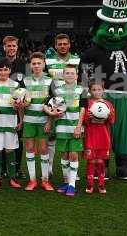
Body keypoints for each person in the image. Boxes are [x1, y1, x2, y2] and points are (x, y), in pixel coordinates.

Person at [44, 64, 86, 196]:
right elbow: (50, 107)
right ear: (63, 75)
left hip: (75, 128)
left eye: (72, 73)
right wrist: (50, 121)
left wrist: (79, 126)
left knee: (73, 154)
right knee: (64, 155)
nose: (70, 75)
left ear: (77, 75)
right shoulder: (57, 91)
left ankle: (72, 185)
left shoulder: (81, 90)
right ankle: (67, 182)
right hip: (61, 127)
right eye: (67, 73)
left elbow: (83, 109)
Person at [45, 33, 80, 177]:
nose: (63, 46)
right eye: (59, 44)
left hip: (72, 104)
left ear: (69, 44)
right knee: (51, 135)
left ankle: (73, 172)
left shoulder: (77, 60)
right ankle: (49, 167)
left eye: (65, 43)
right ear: (55, 46)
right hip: (55, 101)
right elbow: (46, 81)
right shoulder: (49, 61)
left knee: (73, 135)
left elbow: (81, 79)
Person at [0, 58, 23, 189]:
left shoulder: (16, 86)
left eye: (5, 69)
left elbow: (19, 106)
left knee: (10, 150)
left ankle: (12, 178)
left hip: (10, 124)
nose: (3, 72)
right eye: (0, 70)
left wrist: (21, 121)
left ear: (10, 70)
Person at [0, 35, 27, 179]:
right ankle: (2, 168)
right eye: (9, 46)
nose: (11, 48)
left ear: (17, 47)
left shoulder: (23, 64)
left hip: (18, 108)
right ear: (4, 47)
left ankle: (17, 168)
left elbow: (26, 86)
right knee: (2, 137)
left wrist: (23, 101)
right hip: (2, 107)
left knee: (17, 138)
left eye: (14, 46)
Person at [22, 52, 54, 191]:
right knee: (29, 149)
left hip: (43, 121)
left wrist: (49, 121)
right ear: (30, 65)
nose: (36, 66)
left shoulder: (50, 81)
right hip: (28, 120)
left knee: (43, 149)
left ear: (44, 64)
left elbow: (53, 103)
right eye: (34, 63)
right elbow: (20, 101)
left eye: (39, 63)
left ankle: (45, 180)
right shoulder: (25, 81)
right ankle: (32, 180)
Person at [82, 79, 115, 194]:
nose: (96, 92)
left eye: (99, 89)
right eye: (94, 90)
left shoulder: (108, 104)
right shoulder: (87, 103)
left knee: (100, 161)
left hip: (103, 137)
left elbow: (112, 120)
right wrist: (89, 116)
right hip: (90, 136)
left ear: (103, 90)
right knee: (91, 161)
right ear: (90, 91)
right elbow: (84, 121)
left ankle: (101, 184)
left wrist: (107, 116)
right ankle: (90, 184)